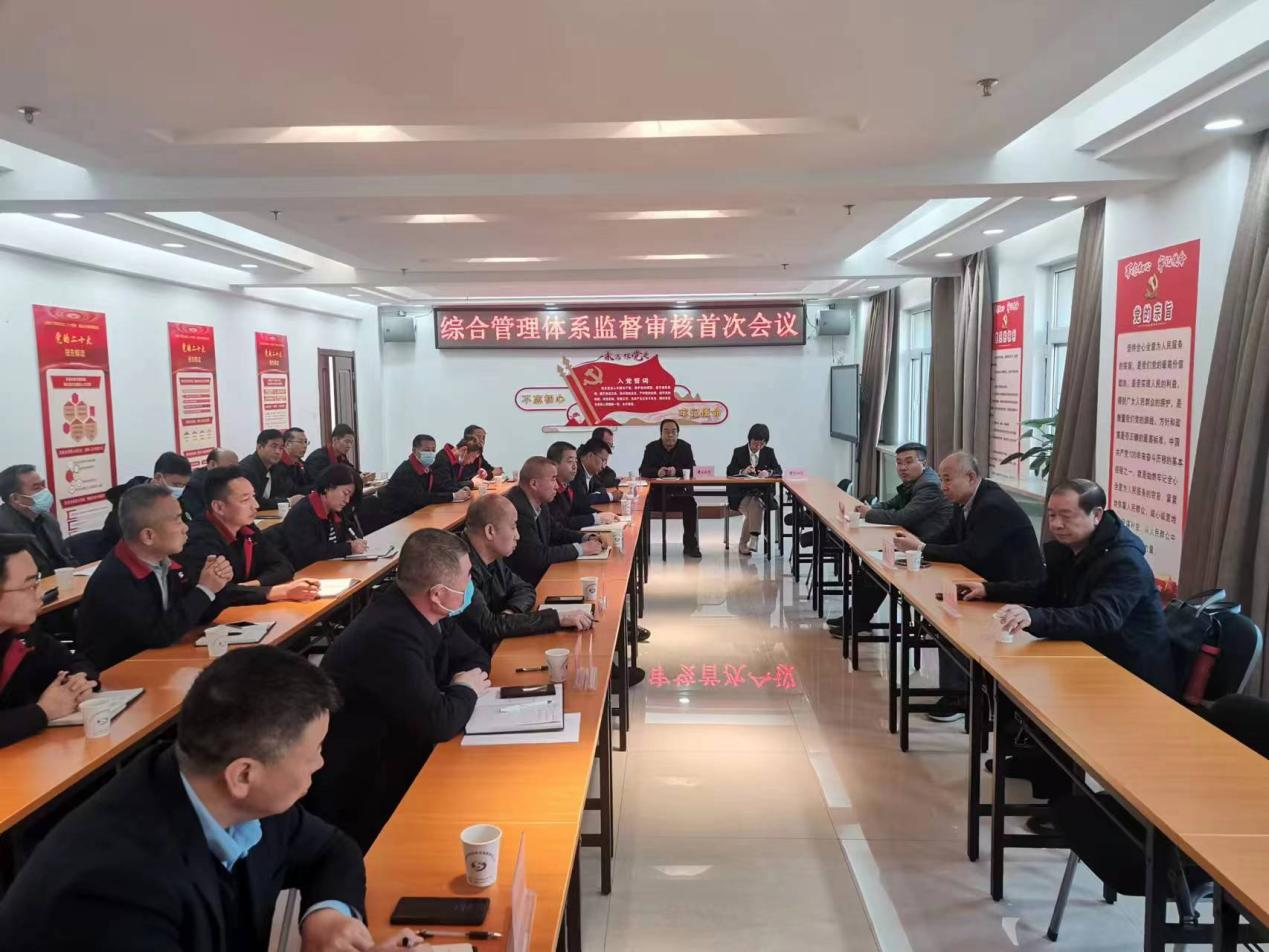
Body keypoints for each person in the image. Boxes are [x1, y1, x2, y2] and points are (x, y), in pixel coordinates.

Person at [0, 647, 424, 951]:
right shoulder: (114, 892)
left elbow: (332, 849)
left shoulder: (223, 787)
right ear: (244, 774)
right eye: (313, 751)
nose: (320, 763)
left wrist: (326, 916)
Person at [307, 529, 492, 851]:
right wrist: (465, 690)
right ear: (437, 593)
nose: (470, 584)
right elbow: (439, 723)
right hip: (362, 787)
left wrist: (456, 691)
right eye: (466, 577)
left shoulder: (427, 610)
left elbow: (476, 656)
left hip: (400, 746)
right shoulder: (388, 634)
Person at [961, 479, 1176, 695]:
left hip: (1132, 674)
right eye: (1052, 515)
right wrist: (989, 590)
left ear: (1097, 515)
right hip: (1087, 655)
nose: (1056, 524)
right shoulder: (1073, 547)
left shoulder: (1124, 561)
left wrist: (1033, 617)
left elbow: (1101, 617)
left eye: (1066, 516)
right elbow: (1046, 591)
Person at [894, 451, 1044, 720]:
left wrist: (922, 548)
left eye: (947, 479)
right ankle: (957, 691)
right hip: (987, 580)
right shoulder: (964, 500)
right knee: (943, 608)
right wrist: (917, 547)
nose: (943, 486)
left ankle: (960, 698)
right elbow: (948, 537)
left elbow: (970, 554)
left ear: (971, 477)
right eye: (942, 479)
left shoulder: (992, 505)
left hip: (1015, 589)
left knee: (951, 618)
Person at [78, 485, 233, 669]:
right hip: (120, 673)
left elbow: (194, 615)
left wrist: (216, 584)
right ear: (148, 536)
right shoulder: (115, 580)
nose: (185, 528)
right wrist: (205, 590)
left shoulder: (167, 561)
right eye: (177, 520)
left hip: (162, 660)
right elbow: (158, 635)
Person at [827, 441, 951, 637]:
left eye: (908, 462)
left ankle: (857, 620)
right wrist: (869, 509)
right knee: (870, 564)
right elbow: (891, 504)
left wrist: (869, 513)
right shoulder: (916, 482)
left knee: (877, 566)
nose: (903, 467)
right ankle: (855, 617)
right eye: (899, 462)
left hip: (930, 547)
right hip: (913, 542)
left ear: (924, 463)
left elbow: (902, 517)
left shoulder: (929, 486)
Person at [456, 494, 593, 652]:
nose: (518, 536)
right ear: (490, 531)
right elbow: (489, 627)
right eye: (513, 527)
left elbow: (525, 589)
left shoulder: (491, 555)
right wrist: (557, 617)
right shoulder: (458, 568)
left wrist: (511, 613)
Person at [0, 535, 99, 749]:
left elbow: (75, 662)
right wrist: (43, 712)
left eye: (37, 582)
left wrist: (77, 683)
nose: (41, 594)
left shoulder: (21, 633)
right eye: (29, 586)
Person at [180, 467, 320, 607]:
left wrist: (253, 586)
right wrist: (278, 592)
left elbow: (283, 566)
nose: (256, 505)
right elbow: (216, 593)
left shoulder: (247, 527)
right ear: (218, 507)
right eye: (245, 500)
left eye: (253, 496)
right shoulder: (198, 539)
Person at [504, 457, 605, 585]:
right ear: (534, 484)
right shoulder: (516, 510)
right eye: (553, 479)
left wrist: (585, 537)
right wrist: (581, 549)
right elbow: (537, 557)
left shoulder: (540, 502)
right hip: (525, 583)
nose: (557, 486)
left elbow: (556, 531)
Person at [281, 464, 368, 569]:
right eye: (345, 493)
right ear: (328, 487)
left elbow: (353, 531)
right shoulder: (303, 513)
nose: (347, 500)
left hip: (331, 568)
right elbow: (311, 553)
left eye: (350, 496)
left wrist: (355, 541)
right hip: (304, 572)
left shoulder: (335, 510)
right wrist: (349, 548)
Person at [102, 451, 194, 547]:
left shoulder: (181, 498)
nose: (179, 489)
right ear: (158, 477)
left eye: (183, 485)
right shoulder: (129, 504)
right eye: (176, 484)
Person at [639, 419, 701, 558]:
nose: (670, 435)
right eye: (666, 431)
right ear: (661, 433)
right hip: (655, 495)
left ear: (678, 433)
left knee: (691, 505)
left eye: (673, 431)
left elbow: (693, 469)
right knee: (642, 507)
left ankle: (690, 546)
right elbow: (643, 470)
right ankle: (642, 547)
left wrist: (676, 471)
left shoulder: (685, 447)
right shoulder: (651, 448)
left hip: (678, 494)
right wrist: (657, 472)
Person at [0, 465, 76, 577]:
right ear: (15, 498)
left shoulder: (49, 519)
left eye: (43, 485)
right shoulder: (3, 528)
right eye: (36, 488)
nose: (44, 491)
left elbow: (67, 559)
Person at [380, 434, 472, 522]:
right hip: (396, 518)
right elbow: (421, 498)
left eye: (433, 450)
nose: (431, 453)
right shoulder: (406, 471)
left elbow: (438, 487)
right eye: (426, 450)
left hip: (416, 514)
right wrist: (453, 496)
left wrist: (458, 490)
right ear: (414, 450)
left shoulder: (427, 468)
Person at [725, 424, 783, 557]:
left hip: (762, 494)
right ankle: (754, 538)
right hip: (741, 494)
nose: (758, 447)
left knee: (756, 504)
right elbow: (729, 471)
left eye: (761, 444)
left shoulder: (769, 452)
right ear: (749, 440)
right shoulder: (739, 452)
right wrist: (742, 471)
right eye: (755, 443)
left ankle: (744, 542)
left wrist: (768, 473)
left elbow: (779, 470)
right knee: (756, 506)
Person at [546, 441, 619, 530]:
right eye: (570, 461)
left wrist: (604, 514)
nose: (575, 466)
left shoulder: (566, 485)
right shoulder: (550, 491)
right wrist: (596, 518)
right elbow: (562, 523)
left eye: (575, 461)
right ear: (554, 465)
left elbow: (579, 508)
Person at [239, 429, 301, 510]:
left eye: (281, 448)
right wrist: (288, 501)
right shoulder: (246, 469)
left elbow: (288, 490)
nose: (278, 452)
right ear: (259, 447)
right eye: (274, 446)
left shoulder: (277, 467)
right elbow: (255, 501)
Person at [184, 448, 239, 520]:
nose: (234, 472)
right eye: (231, 467)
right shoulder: (195, 485)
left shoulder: (230, 479)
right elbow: (199, 515)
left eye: (236, 467)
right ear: (212, 464)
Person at [576, 438, 624, 505]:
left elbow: (601, 487)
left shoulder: (591, 472)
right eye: (603, 460)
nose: (604, 466)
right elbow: (582, 500)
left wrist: (595, 496)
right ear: (590, 456)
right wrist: (610, 496)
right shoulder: (575, 472)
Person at [279, 427, 314, 494]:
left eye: (305, 442)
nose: (305, 446)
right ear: (287, 444)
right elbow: (292, 491)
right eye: (300, 442)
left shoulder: (301, 463)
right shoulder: (279, 464)